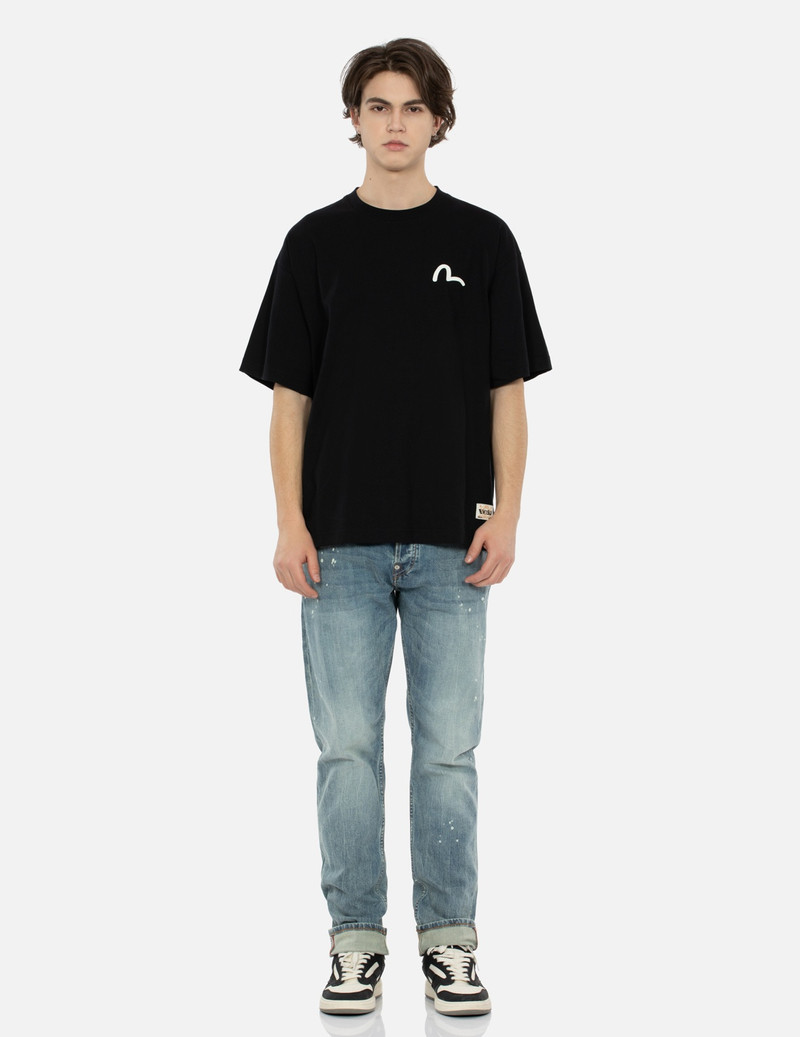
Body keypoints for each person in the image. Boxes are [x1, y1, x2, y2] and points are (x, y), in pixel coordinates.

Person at [239, 38, 552, 1017]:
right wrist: (288, 521)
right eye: (377, 105)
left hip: (454, 542)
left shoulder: (485, 241)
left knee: (448, 749)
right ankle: (355, 941)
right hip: (337, 542)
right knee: (346, 748)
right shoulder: (314, 244)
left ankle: (449, 942)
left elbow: (507, 393)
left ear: (438, 120)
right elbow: (289, 400)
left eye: (412, 107)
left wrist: (508, 512)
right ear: (354, 119)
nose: (394, 123)